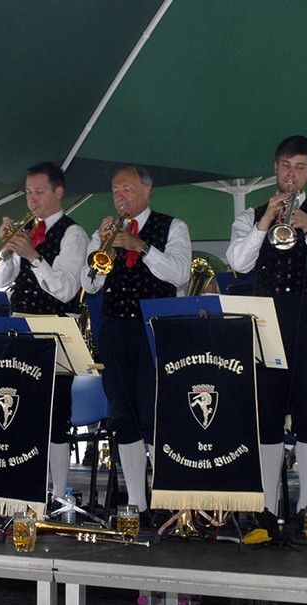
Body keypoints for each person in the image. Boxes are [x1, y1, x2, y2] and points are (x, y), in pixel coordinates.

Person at [226, 135, 307, 532]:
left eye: (300, 168)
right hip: (265, 321)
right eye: (286, 166)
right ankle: (267, 508)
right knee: (266, 413)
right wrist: (264, 223)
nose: (291, 174)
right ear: (275, 168)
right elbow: (238, 262)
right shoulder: (251, 216)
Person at [81, 166, 191, 517]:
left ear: (147, 191)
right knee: (123, 417)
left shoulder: (173, 227)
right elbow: (89, 283)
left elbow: (180, 274)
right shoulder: (104, 233)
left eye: (127, 189)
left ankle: (167, 503)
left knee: (154, 416)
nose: (120, 197)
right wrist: (104, 247)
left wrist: (140, 246)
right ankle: (136, 505)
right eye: (116, 190)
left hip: (154, 331)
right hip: (115, 331)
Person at [0, 161, 89, 500]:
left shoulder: (74, 234)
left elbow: (66, 289)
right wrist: (6, 252)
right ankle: (24, 489)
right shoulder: (25, 230)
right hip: (20, 327)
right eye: (28, 193)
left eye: (39, 192)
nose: (32, 200)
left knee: (55, 416)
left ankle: (58, 494)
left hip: (55, 329)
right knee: (19, 410)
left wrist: (33, 255)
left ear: (58, 192)